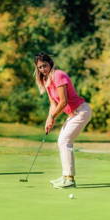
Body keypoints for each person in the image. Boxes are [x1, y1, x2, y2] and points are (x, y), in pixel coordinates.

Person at [34, 52, 92, 189]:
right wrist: (49, 119)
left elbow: (64, 102)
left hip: (81, 111)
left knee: (65, 141)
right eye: (40, 67)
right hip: (73, 115)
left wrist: (54, 116)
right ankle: (66, 176)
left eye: (45, 65)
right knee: (62, 141)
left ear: (50, 63)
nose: (43, 69)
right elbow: (53, 104)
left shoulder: (58, 75)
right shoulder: (46, 80)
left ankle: (70, 179)